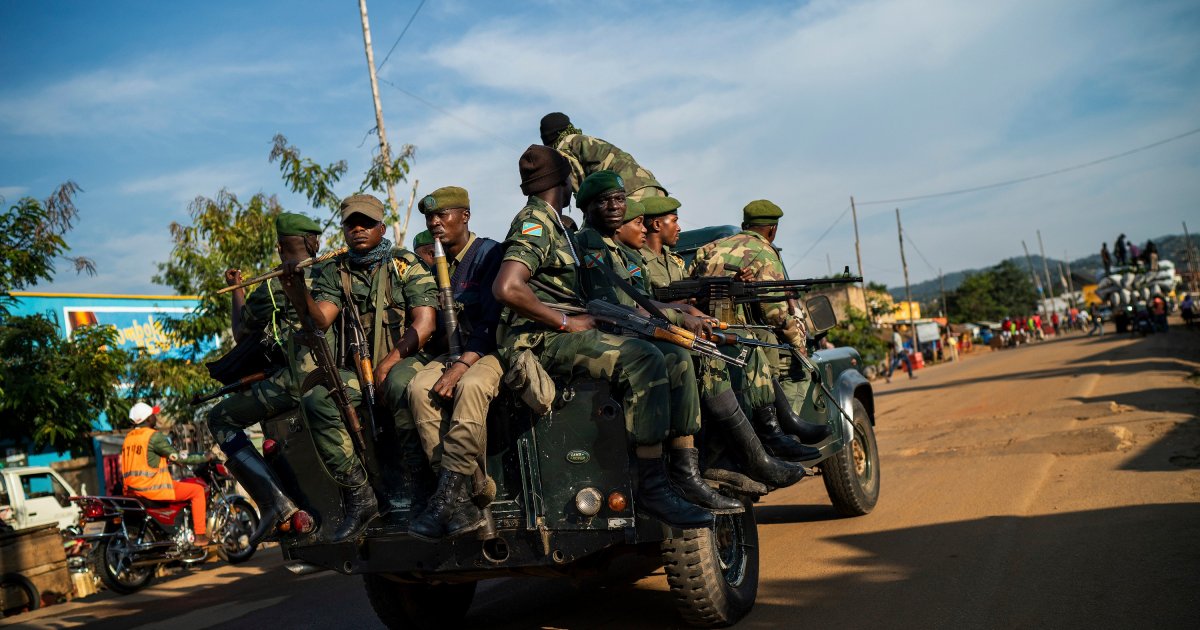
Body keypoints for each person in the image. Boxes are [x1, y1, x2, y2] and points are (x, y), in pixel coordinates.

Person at [492, 147, 717, 530]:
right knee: (643, 357)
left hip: (560, 331)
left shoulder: (557, 224)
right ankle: (652, 487)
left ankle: (680, 471)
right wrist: (565, 321)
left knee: (673, 357)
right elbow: (508, 287)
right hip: (539, 340)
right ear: (563, 182)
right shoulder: (535, 222)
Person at [571, 171, 811, 483]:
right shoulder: (594, 247)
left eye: (620, 200)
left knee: (735, 344)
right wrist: (682, 315)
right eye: (609, 202)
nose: (638, 224)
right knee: (704, 356)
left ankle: (761, 439)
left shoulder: (615, 250)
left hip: (639, 329)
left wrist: (691, 309)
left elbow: (643, 300)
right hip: (626, 336)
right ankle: (721, 461)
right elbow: (621, 307)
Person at [281, 193, 439, 543]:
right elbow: (320, 319)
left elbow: (425, 324)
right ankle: (361, 495)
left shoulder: (404, 263)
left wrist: (388, 364)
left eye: (366, 223)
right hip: (361, 375)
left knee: (399, 383)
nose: (358, 229)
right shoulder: (335, 272)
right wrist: (296, 292)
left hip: (409, 361)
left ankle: (421, 490)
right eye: (351, 223)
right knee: (318, 398)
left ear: (382, 227)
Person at [658, 195, 830, 453]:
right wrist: (799, 343)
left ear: (745, 224)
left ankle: (779, 425)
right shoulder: (764, 251)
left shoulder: (710, 248)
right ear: (772, 230)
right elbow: (776, 314)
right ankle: (776, 430)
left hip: (705, 326)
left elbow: (691, 282)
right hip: (718, 331)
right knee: (774, 349)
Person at [208, 213, 323, 544]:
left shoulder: (274, 287)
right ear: (314, 242)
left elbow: (242, 332)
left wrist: (238, 290)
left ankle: (277, 504)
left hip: (300, 380)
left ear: (279, 247)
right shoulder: (337, 271)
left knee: (219, 417)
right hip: (345, 375)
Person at [405, 186, 505, 541]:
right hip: (450, 351)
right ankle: (458, 495)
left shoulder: (490, 254)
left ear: (465, 215)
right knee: (417, 388)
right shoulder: (433, 263)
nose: (434, 223)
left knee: (471, 387)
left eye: (442, 215)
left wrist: (463, 365)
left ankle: (445, 498)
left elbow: (493, 321)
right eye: (429, 217)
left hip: (488, 350)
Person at [122, 403, 213, 545]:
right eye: (153, 415)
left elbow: (146, 460)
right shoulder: (153, 436)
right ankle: (200, 535)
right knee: (197, 490)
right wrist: (204, 457)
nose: (155, 417)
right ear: (147, 419)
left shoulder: (129, 438)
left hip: (132, 490)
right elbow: (177, 456)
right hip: (153, 489)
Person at [539, 112, 667, 201]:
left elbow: (582, 189)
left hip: (628, 192)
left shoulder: (564, 147)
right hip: (652, 185)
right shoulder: (584, 140)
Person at [639, 196, 689, 293]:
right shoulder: (637, 260)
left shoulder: (674, 261)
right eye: (674, 221)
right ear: (657, 224)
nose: (678, 228)